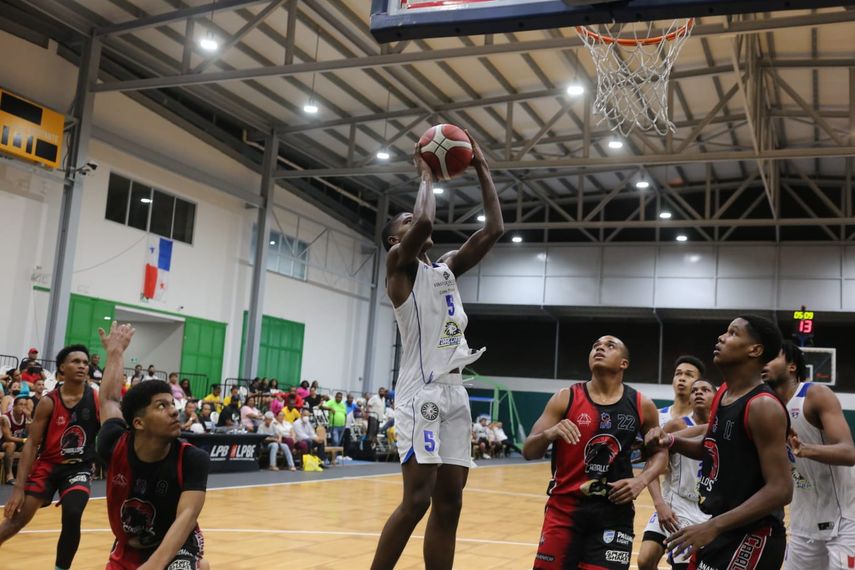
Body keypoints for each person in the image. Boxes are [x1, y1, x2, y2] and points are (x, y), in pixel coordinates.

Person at [371, 134, 503, 570]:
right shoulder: (398, 269)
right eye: (404, 222)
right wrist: (426, 173)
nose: (416, 223)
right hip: (420, 393)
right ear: (395, 240)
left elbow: (494, 229)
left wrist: (482, 167)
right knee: (417, 501)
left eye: (413, 218)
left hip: (455, 394)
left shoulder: (445, 270)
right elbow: (425, 223)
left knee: (450, 505)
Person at [647, 315, 792, 570]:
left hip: (754, 535)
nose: (722, 338)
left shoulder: (763, 406)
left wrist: (713, 526)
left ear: (755, 350)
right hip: (720, 526)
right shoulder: (723, 392)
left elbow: (781, 489)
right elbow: (711, 449)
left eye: (733, 333)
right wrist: (669, 440)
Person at [523, 335, 668, 569]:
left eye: (610, 346)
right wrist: (549, 434)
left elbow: (659, 454)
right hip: (565, 509)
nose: (600, 348)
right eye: (595, 346)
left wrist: (641, 481)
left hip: (614, 514)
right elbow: (529, 451)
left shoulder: (642, 405)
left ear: (624, 363)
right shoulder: (566, 397)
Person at [96, 322, 211, 569]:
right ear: (138, 422)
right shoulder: (113, 443)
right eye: (162, 406)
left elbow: (187, 516)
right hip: (129, 545)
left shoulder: (192, 458)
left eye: (173, 404)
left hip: (177, 543)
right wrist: (115, 353)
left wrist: (155, 565)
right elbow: (109, 399)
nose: (174, 411)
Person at [0, 344, 100, 570]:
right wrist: (18, 488)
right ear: (62, 368)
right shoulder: (48, 402)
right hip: (48, 466)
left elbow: (112, 432)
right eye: (76, 362)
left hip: (78, 468)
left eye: (85, 363)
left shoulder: (95, 399)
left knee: (73, 513)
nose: (82, 366)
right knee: (17, 519)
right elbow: (31, 445)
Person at [762, 340, 855, 570]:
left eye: (772, 357)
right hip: (804, 521)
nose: (764, 363)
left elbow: (849, 452)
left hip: (845, 518)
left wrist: (805, 449)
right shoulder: (764, 407)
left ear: (792, 366)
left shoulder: (815, 395)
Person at [638, 378, 715, 570]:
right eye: (695, 390)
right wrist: (660, 503)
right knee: (645, 560)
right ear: (689, 400)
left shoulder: (724, 429)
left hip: (707, 510)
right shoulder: (676, 426)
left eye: (705, 390)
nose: (698, 393)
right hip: (675, 501)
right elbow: (651, 464)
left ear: (717, 398)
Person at [659, 355, 704, 424]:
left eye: (689, 375)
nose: (682, 378)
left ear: (699, 383)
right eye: (678, 373)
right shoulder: (656, 415)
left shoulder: (702, 423)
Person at [1, 396, 31, 485]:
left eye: (25, 405)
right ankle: (9, 476)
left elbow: (28, 432)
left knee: (31, 446)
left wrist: (29, 418)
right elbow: (8, 437)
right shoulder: (5, 418)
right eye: (20, 404)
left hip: (17, 441)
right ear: (14, 406)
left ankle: (28, 475)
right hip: (2, 442)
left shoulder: (24, 416)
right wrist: (24, 440)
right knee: (11, 445)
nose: (23, 407)